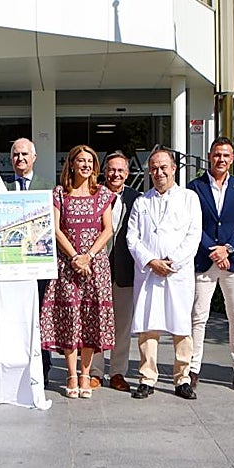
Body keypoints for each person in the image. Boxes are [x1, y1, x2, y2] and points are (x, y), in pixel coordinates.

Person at [40, 144, 115, 399]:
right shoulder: (59, 193)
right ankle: (71, 375)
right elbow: (55, 228)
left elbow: (108, 229)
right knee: (70, 318)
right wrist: (74, 256)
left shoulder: (103, 194)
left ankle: (86, 374)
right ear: (71, 164)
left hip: (95, 266)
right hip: (67, 266)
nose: (85, 165)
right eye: (80, 160)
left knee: (90, 319)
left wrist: (89, 256)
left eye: (90, 161)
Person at [127, 148, 202, 400]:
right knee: (148, 326)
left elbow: (194, 235)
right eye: (154, 168)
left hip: (176, 274)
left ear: (173, 169)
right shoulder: (141, 201)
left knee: (181, 326)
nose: (159, 172)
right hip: (149, 274)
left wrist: (171, 262)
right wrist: (151, 261)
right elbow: (132, 237)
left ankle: (182, 379)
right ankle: (147, 377)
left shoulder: (189, 198)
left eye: (163, 168)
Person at [187, 136, 234, 392]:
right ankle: (193, 369)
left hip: (233, 263)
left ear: (232, 158)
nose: (221, 159)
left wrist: (227, 249)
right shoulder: (195, 187)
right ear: (209, 155)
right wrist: (213, 251)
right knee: (198, 317)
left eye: (226, 155)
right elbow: (192, 224)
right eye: (217, 154)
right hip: (204, 261)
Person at [88, 151, 140, 391]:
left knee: (122, 326)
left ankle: (118, 372)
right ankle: (95, 371)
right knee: (96, 322)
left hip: (125, 272)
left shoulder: (137, 199)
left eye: (120, 170)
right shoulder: (92, 195)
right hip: (97, 270)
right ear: (104, 172)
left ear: (127, 174)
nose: (115, 174)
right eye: (111, 169)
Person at [10, 137, 55, 383]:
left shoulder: (49, 187)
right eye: (16, 154)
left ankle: (43, 368)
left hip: (39, 268)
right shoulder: (2, 188)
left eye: (25, 154)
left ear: (34, 158)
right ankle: (16, 367)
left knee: (41, 318)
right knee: (14, 319)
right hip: (10, 270)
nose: (21, 159)